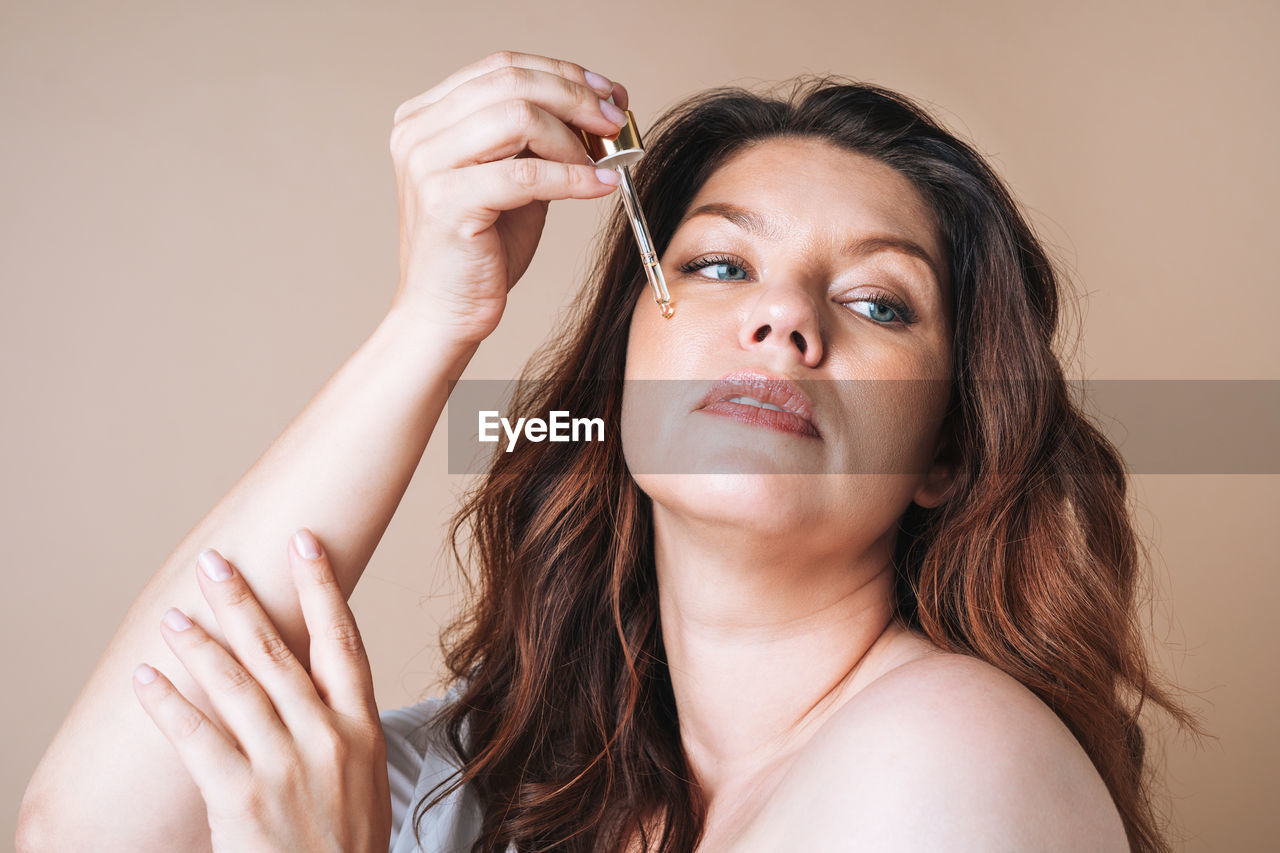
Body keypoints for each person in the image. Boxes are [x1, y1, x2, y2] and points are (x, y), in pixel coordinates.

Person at [17, 50, 1201, 853]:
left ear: (946, 448)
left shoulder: (952, 756)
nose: (782, 320)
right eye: (718, 266)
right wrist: (433, 317)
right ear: (620, 383)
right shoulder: (529, 774)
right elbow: (83, 832)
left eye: (878, 303)